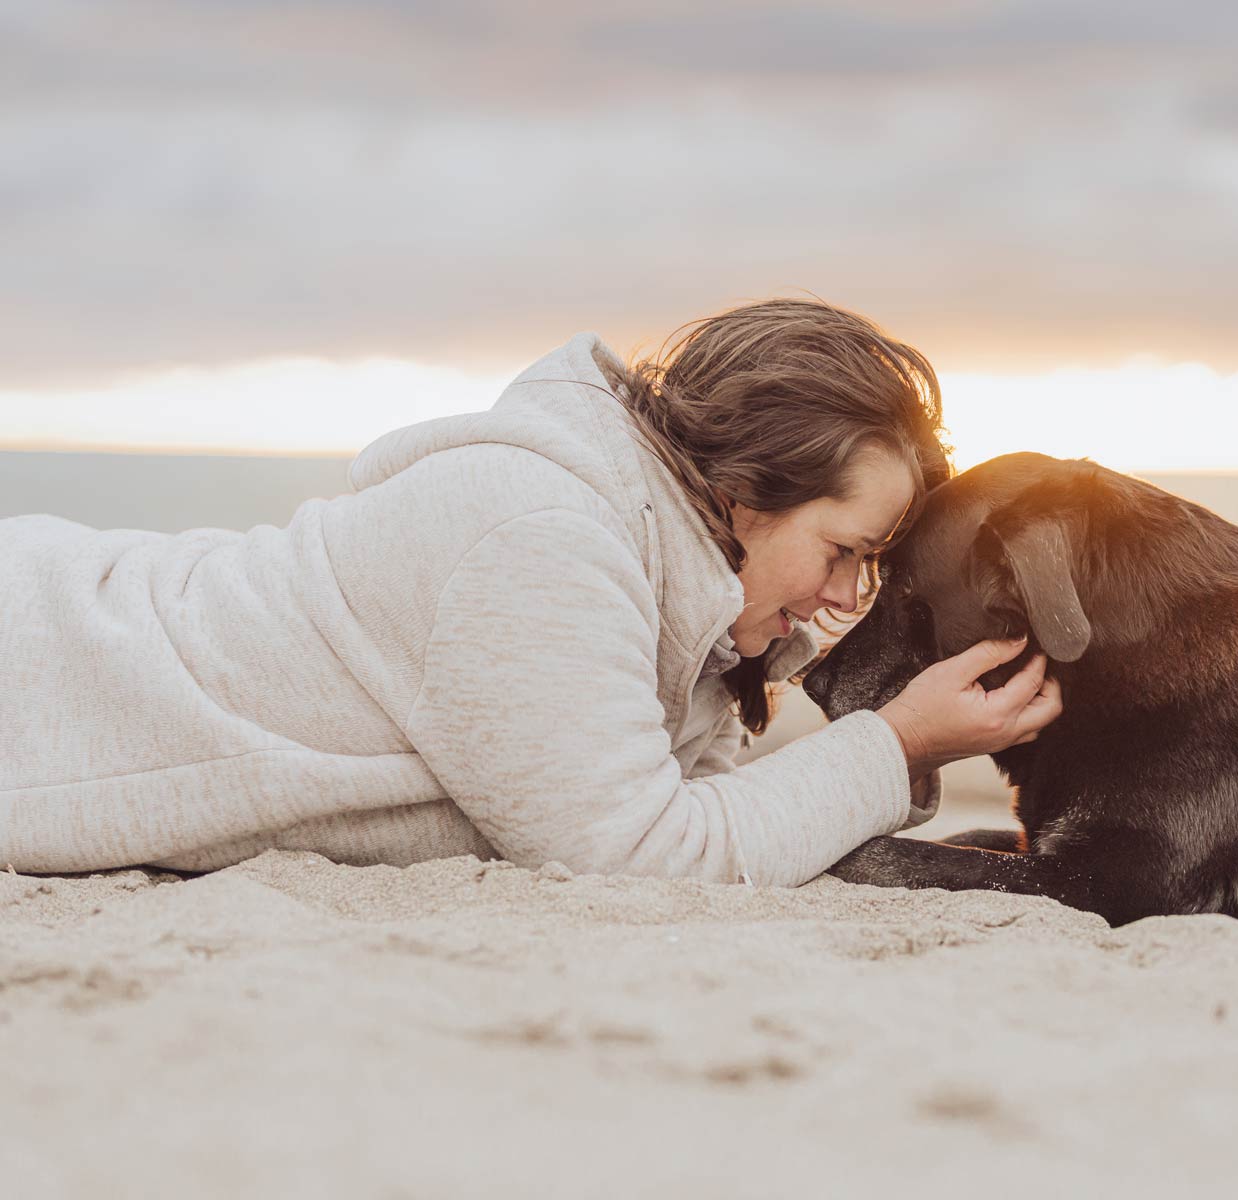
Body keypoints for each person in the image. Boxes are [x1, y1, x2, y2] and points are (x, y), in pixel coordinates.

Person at [0, 299, 1061, 885]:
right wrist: (900, 744)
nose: (847, 597)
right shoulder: (539, 538)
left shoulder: (658, 566)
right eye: (843, 551)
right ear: (742, 496)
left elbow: (685, 796)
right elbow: (636, 856)